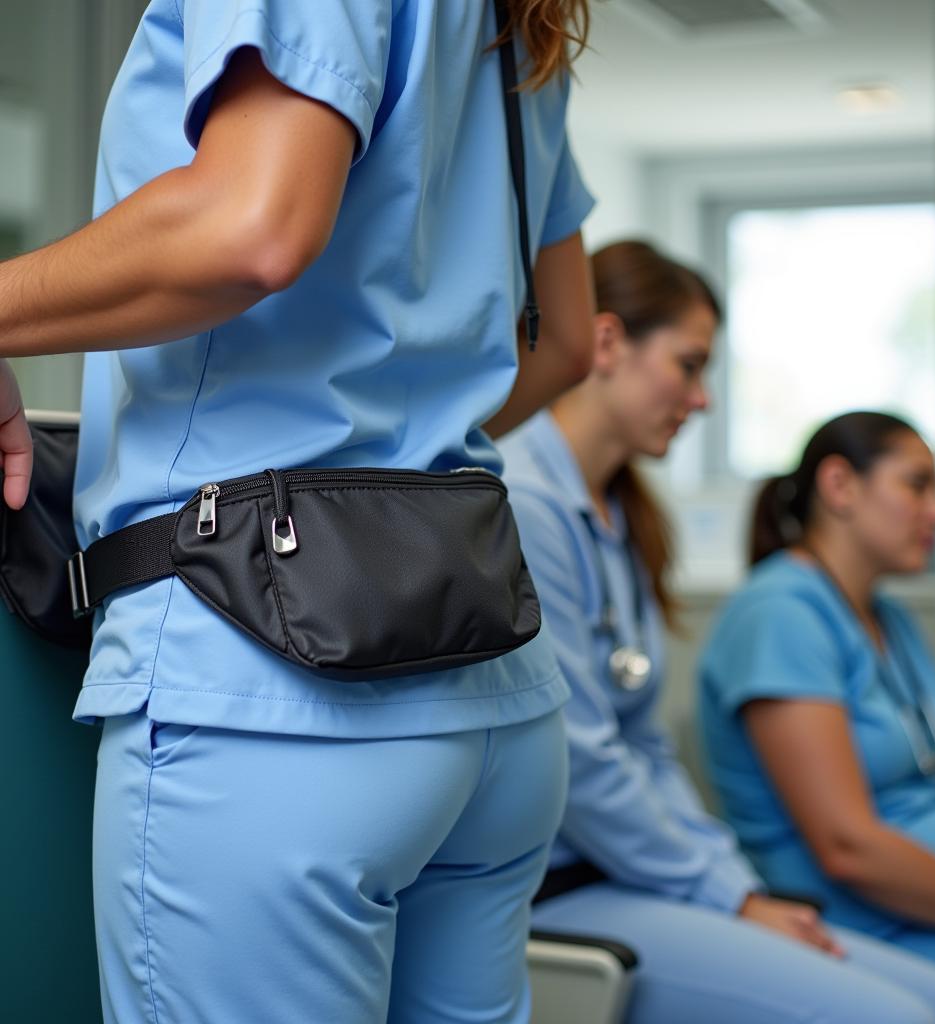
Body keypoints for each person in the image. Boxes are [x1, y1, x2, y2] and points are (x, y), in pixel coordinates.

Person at [0, 2, 598, 1021]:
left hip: (268, 677)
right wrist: (388, 453)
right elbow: (566, 338)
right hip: (493, 700)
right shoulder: (519, 22)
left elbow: (253, 225)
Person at [500, 241, 935, 1023]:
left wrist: (728, 883)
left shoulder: (621, 525)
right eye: (689, 364)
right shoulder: (523, 506)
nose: (703, 398)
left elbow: (646, 751)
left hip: (641, 879)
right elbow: (580, 761)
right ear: (607, 343)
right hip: (560, 890)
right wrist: (728, 894)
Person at [700, 410, 935, 1007]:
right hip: (865, 923)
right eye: (917, 484)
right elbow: (849, 848)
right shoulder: (780, 615)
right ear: (840, 486)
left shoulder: (889, 620)